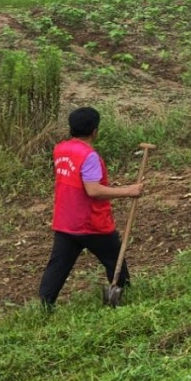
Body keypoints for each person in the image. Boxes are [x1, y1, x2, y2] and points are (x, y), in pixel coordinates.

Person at [39, 107, 143, 306]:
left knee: (58, 265)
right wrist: (129, 191)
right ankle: (124, 295)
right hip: (91, 222)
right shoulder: (89, 156)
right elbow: (93, 190)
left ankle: (44, 305)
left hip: (65, 220)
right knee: (114, 258)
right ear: (95, 131)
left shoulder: (60, 149)